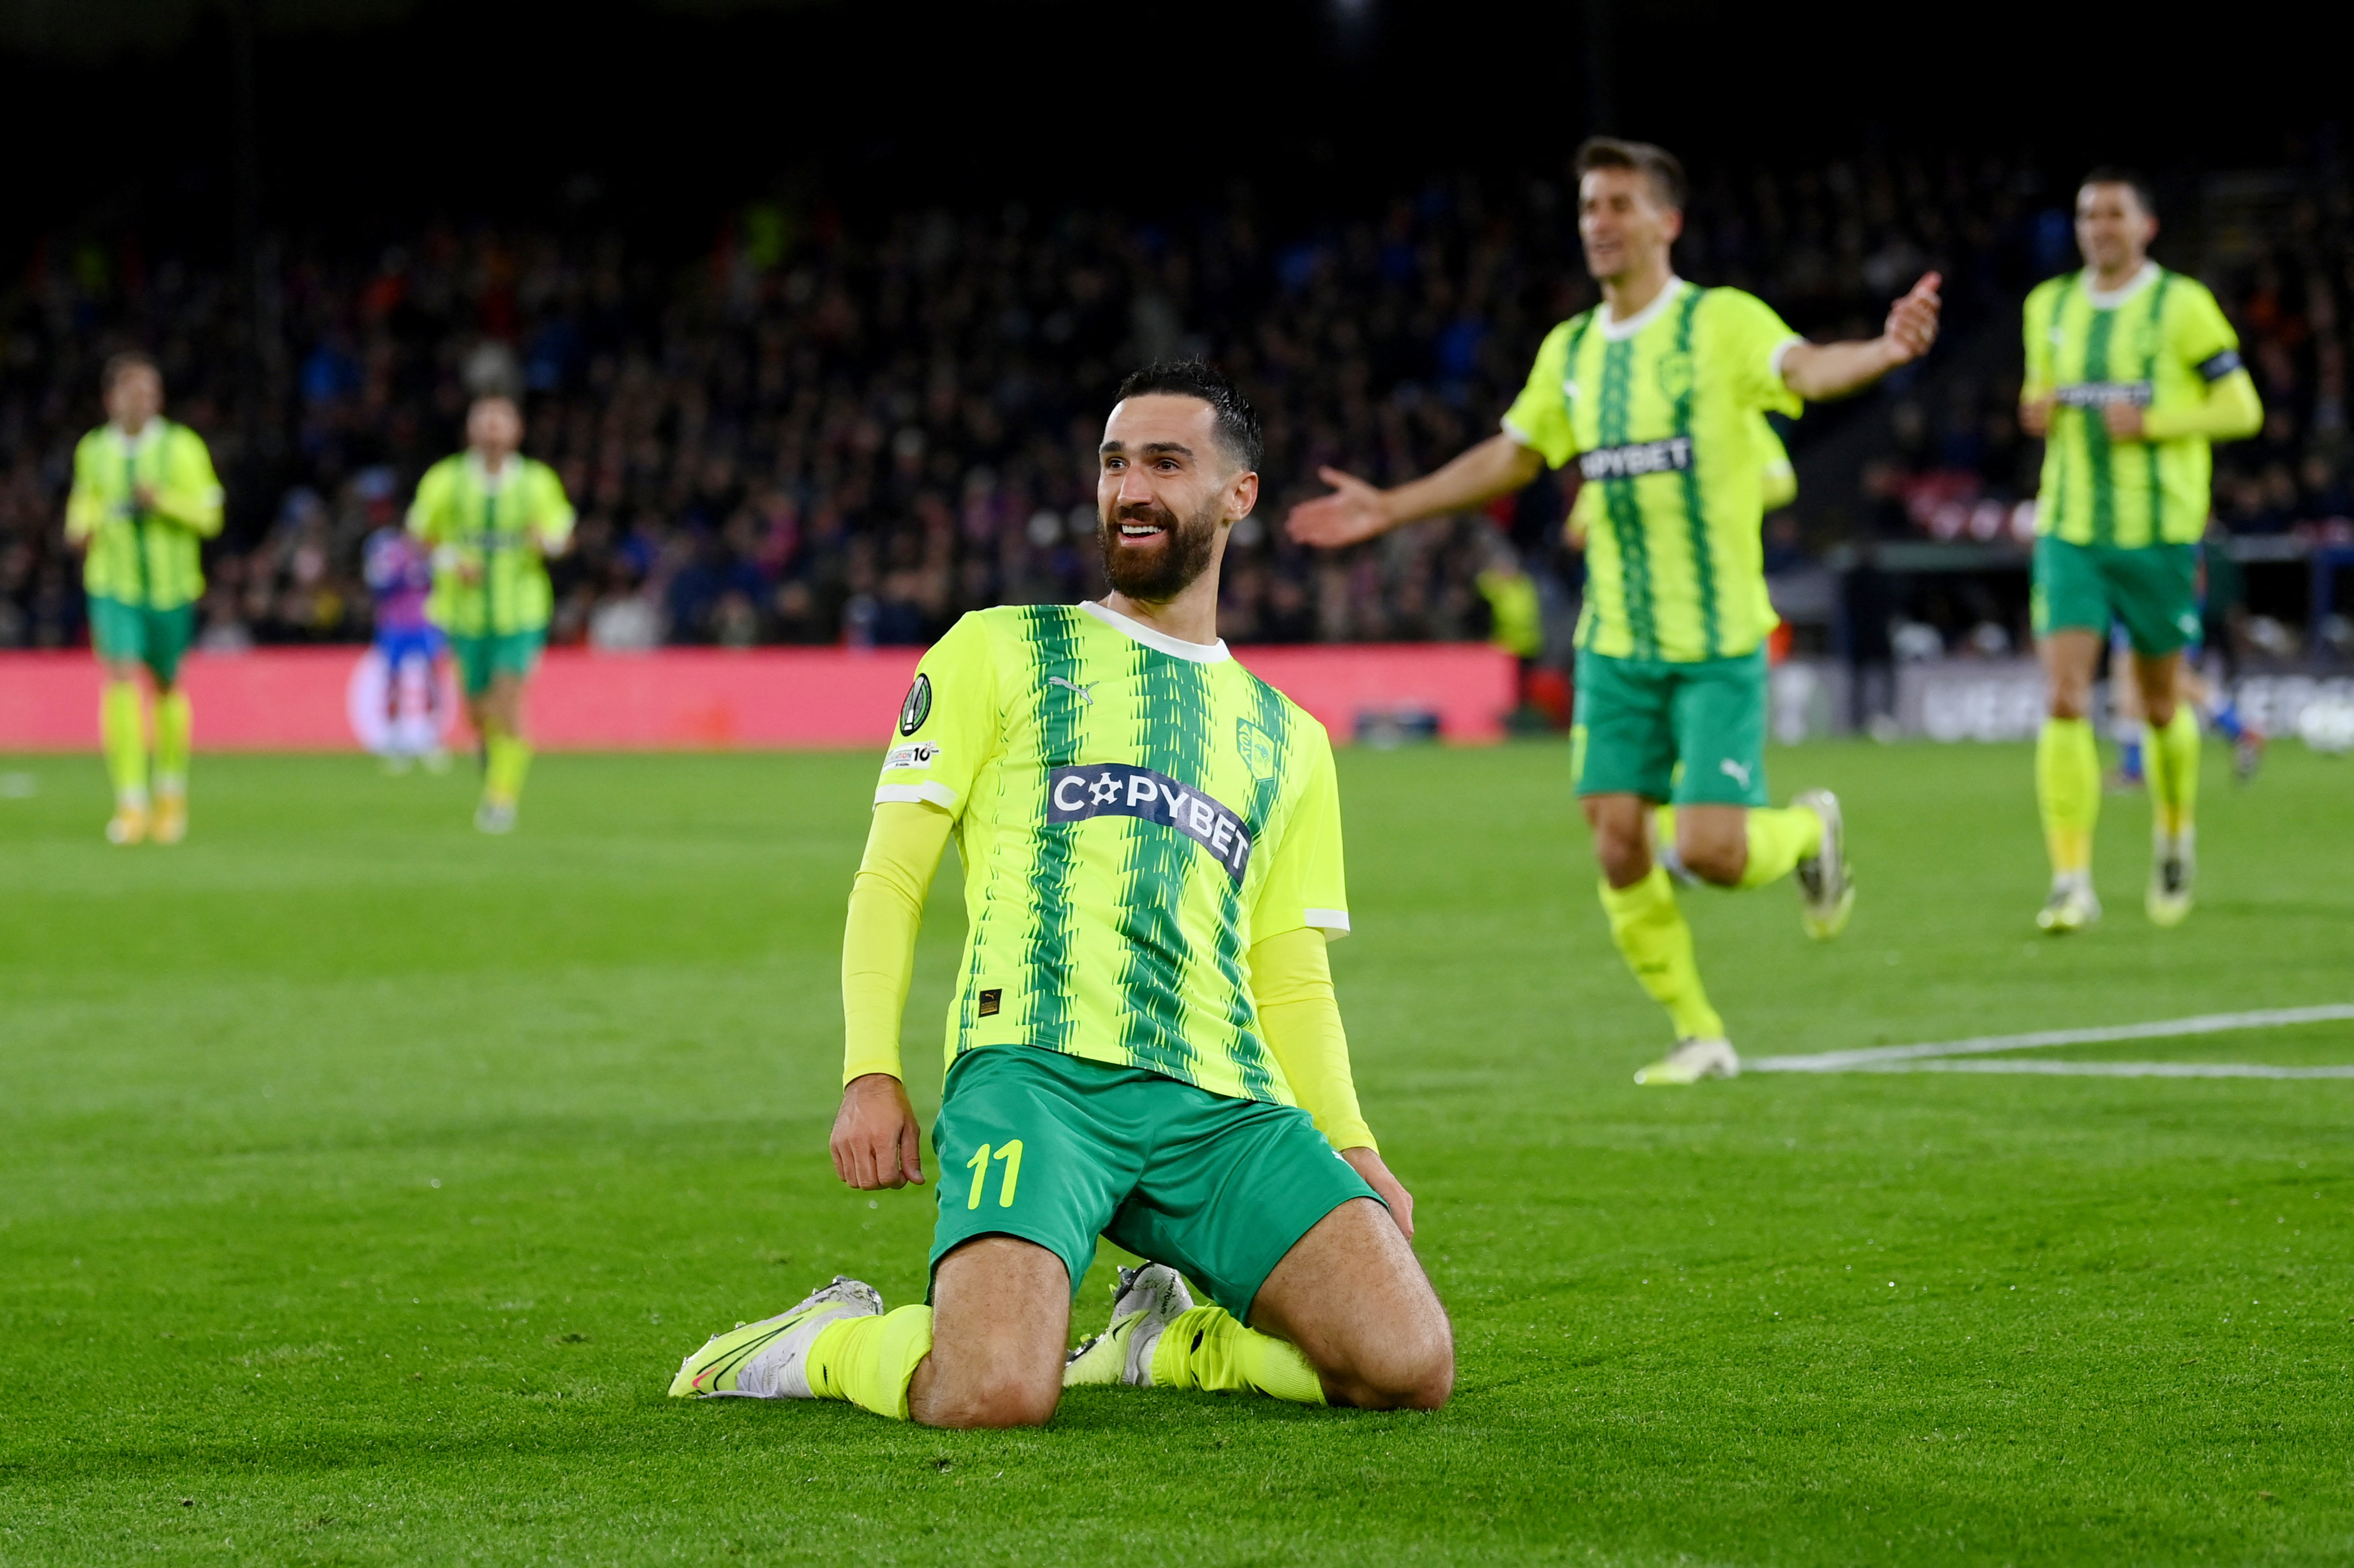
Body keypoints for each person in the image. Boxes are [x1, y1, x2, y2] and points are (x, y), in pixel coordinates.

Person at [668, 362, 1452, 1427]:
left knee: (1408, 1363)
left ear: (1238, 494)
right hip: (1034, 1073)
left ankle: (1168, 1342)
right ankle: (822, 1340)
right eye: (1114, 463)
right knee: (991, 1390)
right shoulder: (998, 648)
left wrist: (1350, 1140)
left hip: (1222, 1102)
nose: (1130, 488)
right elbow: (890, 875)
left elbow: (1290, 969)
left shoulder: (1290, 738)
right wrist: (869, 1069)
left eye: (1165, 463)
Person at [1287, 137, 1940, 1085]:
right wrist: (1393, 505)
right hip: (1615, 645)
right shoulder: (1573, 350)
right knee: (1619, 839)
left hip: (1714, 640)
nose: (1598, 221)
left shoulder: (1718, 322)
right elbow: (1514, 453)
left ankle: (1807, 832)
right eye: (1589, 205)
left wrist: (1883, 349)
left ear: (1665, 221)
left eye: (1618, 204)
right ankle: (1697, 1031)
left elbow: (1803, 370)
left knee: (1712, 852)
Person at [2019, 170, 2263, 932]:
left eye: (2113, 214)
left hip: (2157, 535)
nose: (2098, 227)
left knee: (2158, 705)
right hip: (2069, 531)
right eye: (2087, 214)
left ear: (2144, 227)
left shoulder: (2180, 306)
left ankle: (2173, 835)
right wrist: (2034, 409)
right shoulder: (2046, 305)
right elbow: (2040, 393)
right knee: (2063, 696)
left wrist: (2154, 423)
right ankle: (2069, 882)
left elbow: (2241, 407)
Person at [63, 352, 224, 846]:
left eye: (150, 392)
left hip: (171, 588)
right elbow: (84, 502)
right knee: (118, 676)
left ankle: (170, 792)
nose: (143, 401)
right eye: (133, 392)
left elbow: (210, 517)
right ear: (111, 398)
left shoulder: (182, 448)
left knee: (167, 686)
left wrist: (164, 502)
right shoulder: (94, 449)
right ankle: (131, 801)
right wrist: (79, 527)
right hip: (114, 585)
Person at [406, 395, 574, 833]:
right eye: (485, 421)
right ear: (471, 430)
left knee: (509, 698)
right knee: (478, 711)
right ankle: (491, 748)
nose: (493, 430)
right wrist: (451, 561)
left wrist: (547, 542)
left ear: (518, 431)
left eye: (501, 422)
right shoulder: (446, 480)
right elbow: (419, 534)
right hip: (464, 614)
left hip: (521, 611)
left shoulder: (537, 482)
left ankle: (501, 801)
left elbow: (562, 535)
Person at [362, 520, 449, 773]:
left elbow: (444, 582)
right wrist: (403, 575)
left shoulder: (432, 551)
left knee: (432, 679)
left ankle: (431, 737)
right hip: (395, 624)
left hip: (426, 622)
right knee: (394, 681)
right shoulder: (389, 551)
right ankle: (395, 738)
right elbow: (377, 583)